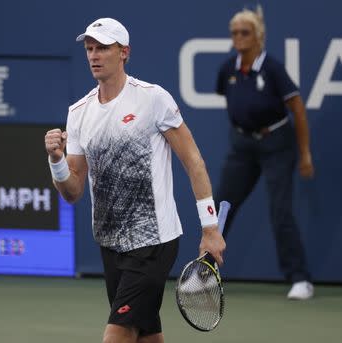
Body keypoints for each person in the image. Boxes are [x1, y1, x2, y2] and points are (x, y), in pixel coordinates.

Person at [45, 17, 226, 343]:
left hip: (153, 241)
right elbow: (71, 191)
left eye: (102, 47)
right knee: (145, 335)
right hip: (111, 244)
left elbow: (193, 162)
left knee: (118, 334)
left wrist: (210, 228)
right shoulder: (78, 113)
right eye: (89, 48)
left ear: (124, 52)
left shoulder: (153, 99)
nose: (94, 55)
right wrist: (56, 161)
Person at [215, 6, 315, 300]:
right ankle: (207, 272)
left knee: (280, 211)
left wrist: (305, 153)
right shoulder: (227, 69)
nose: (238, 38)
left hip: (277, 144)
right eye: (234, 33)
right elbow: (232, 100)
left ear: (258, 36)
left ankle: (300, 279)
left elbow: (297, 108)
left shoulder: (272, 68)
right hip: (242, 146)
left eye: (244, 32)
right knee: (221, 208)